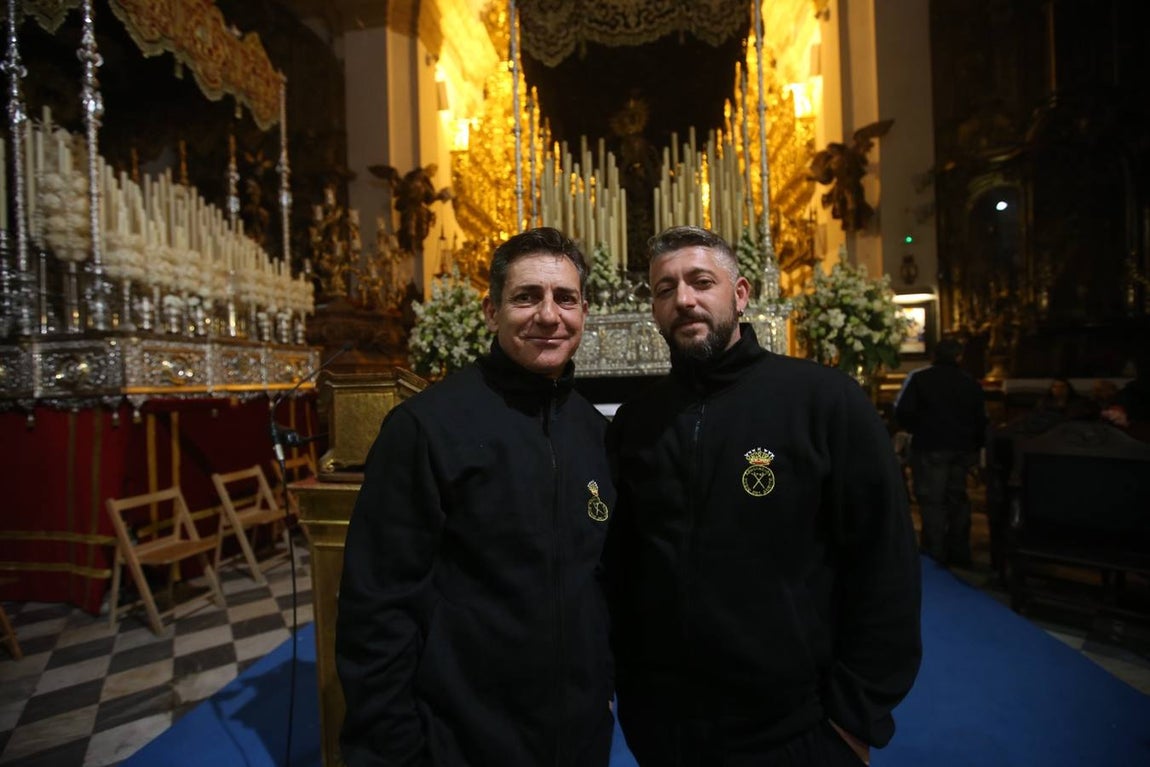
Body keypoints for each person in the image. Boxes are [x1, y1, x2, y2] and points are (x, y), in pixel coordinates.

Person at [604, 226, 921, 766]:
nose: (684, 299)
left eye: (701, 281)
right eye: (665, 288)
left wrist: (855, 715)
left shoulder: (824, 401)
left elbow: (884, 563)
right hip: (666, 729)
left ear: (741, 294)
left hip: (796, 729)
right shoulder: (636, 421)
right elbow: (621, 566)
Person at [336, 227, 616, 766]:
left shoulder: (592, 430)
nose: (549, 315)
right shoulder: (425, 429)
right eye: (526, 296)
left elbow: (598, 580)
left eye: (565, 298)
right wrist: (392, 749)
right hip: (465, 738)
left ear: (584, 311)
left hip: (579, 735)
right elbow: (377, 608)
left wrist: (602, 685)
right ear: (490, 311)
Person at [895, 337, 989, 567]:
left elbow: (904, 412)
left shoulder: (920, 379)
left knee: (931, 500)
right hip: (961, 448)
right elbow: (981, 419)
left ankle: (933, 553)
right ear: (959, 357)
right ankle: (959, 552)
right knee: (958, 498)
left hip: (930, 446)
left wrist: (917, 428)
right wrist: (975, 447)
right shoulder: (970, 382)